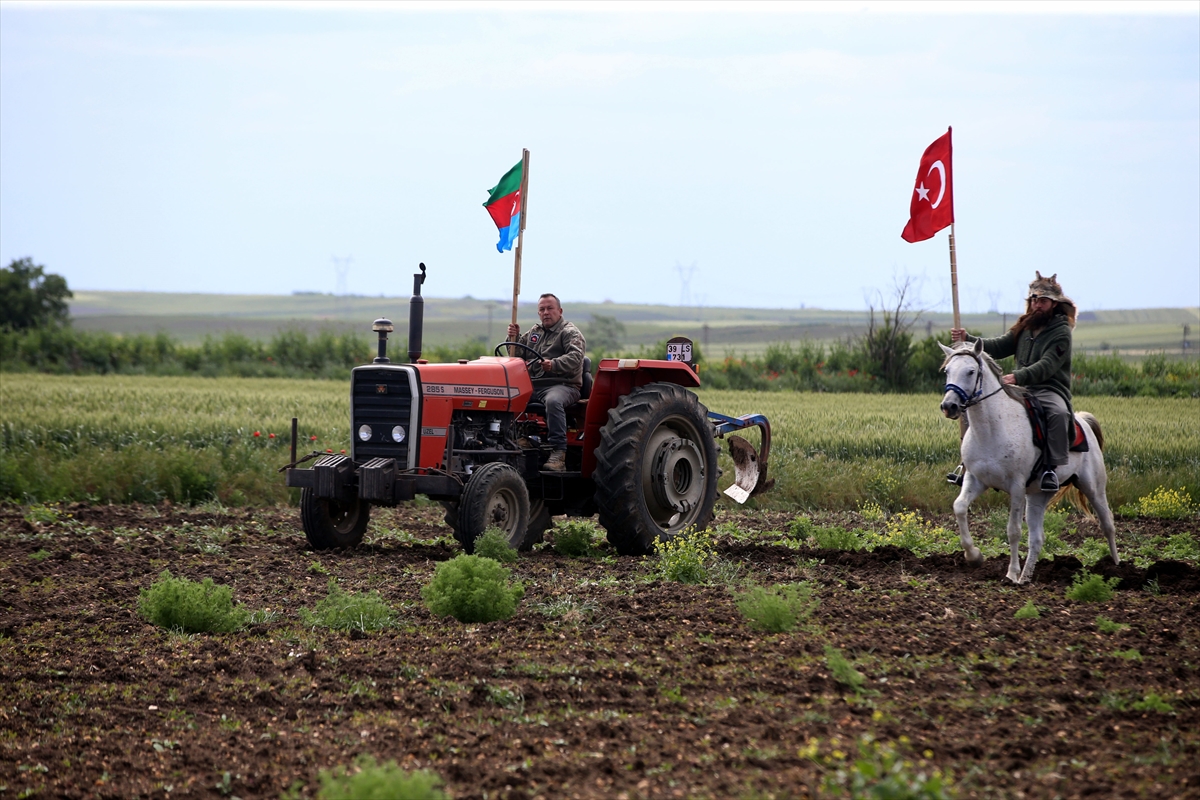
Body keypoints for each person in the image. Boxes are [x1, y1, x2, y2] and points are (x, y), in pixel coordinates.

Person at [951, 271, 1077, 492]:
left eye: (1043, 301)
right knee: (981, 405)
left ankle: (1050, 468)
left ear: (1054, 304)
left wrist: (1018, 376)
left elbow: (1047, 365)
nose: (1038, 305)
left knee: (1058, 413)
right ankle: (970, 464)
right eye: (1034, 300)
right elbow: (999, 346)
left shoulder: (1061, 332)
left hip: (1048, 388)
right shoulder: (1024, 326)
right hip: (1020, 388)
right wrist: (967, 339)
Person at [507, 293, 586, 471]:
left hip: (563, 385)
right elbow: (516, 354)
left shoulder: (570, 332)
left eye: (550, 308)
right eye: (542, 309)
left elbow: (575, 357)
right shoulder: (535, 332)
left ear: (560, 310)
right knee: (508, 395)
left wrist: (554, 364)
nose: (546, 312)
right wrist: (513, 338)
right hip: (535, 384)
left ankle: (559, 453)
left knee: (553, 401)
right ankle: (517, 437)